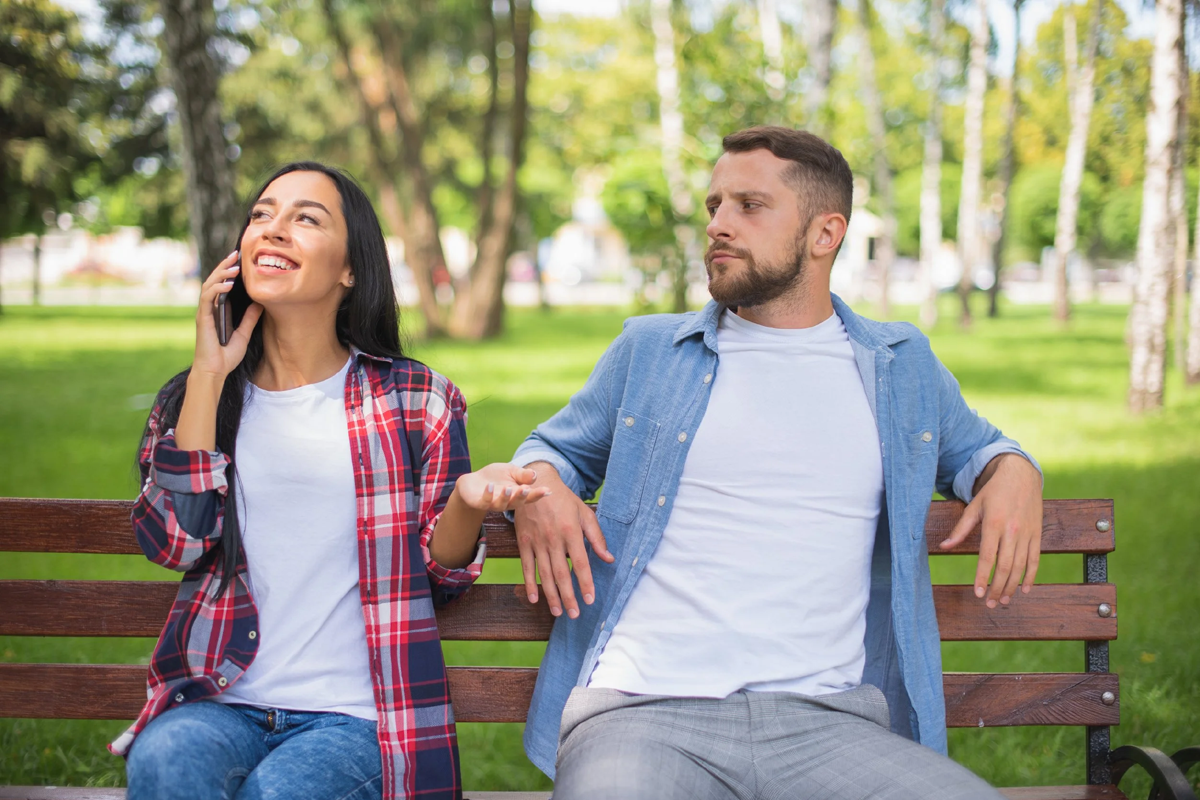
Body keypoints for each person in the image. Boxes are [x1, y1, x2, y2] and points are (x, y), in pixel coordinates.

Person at [509, 127, 1044, 800]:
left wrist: (1017, 468)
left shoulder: (900, 366)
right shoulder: (649, 351)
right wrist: (544, 483)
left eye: (749, 206)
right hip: (642, 711)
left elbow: (982, 451)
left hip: (831, 724)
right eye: (713, 206)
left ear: (825, 234)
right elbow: (550, 449)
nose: (718, 226)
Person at [115, 161, 546, 800]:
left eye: (305, 219)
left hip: (359, 719)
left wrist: (463, 501)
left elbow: (442, 579)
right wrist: (209, 373)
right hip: (219, 700)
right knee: (164, 763)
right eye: (262, 215)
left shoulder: (416, 398)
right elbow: (174, 544)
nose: (274, 230)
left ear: (350, 269)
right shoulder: (198, 402)